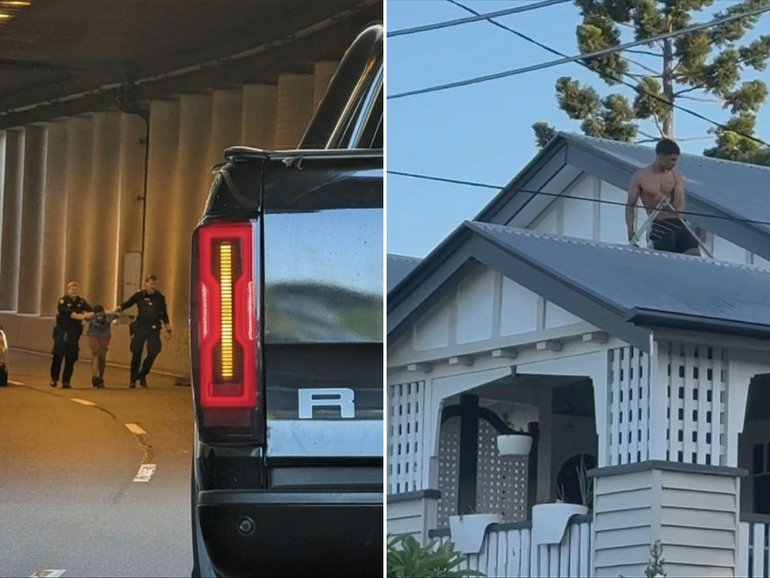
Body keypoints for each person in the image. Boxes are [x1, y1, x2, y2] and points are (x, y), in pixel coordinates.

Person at [625, 137, 701, 256]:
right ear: (660, 156)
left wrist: (672, 208)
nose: (674, 164)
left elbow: (680, 207)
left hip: (679, 223)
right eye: (671, 160)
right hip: (658, 224)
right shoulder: (640, 177)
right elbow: (630, 205)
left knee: (694, 255)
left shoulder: (676, 177)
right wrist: (630, 230)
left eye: (675, 160)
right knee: (666, 258)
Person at [116, 274, 172, 388]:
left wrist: (168, 329)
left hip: (154, 327)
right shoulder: (139, 295)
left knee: (154, 350)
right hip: (141, 326)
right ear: (145, 284)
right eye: (151, 283)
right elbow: (128, 303)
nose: (153, 286)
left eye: (155, 284)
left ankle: (143, 374)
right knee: (137, 352)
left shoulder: (160, 297)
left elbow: (164, 313)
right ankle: (133, 379)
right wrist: (119, 308)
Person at [50, 281, 92, 388]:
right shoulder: (63, 301)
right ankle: (54, 378)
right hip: (62, 332)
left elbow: (91, 312)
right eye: (72, 289)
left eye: (76, 289)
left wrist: (86, 315)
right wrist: (82, 316)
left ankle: (66, 381)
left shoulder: (81, 302)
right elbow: (70, 314)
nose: (74, 291)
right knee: (58, 355)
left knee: (71, 357)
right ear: (68, 290)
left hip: (74, 333)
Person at [85, 305, 120, 388]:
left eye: (101, 315)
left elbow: (118, 314)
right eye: (97, 315)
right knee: (96, 352)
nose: (99, 317)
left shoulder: (109, 316)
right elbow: (83, 316)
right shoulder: (91, 317)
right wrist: (86, 314)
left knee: (102, 356)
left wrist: (114, 311)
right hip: (93, 335)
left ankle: (101, 377)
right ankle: (94, 376)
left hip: (105, 336)